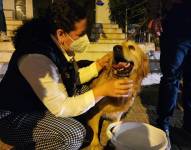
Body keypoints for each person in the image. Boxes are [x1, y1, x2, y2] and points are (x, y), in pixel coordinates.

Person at [0, 0, 134, 149]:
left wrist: (98, 65)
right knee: (72, 135)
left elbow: (70, 80)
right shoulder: (36, 58)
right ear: (61, 34)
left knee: (85, 97)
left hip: (39, 106)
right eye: (81, 34)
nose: (85, 39)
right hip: (13, 119)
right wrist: (102, 91)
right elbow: (61, 107)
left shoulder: (53, 45)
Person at [148, 0, 191, 145]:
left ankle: (189, 125)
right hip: (176, 17)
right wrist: (154, 16)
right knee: (171, 76)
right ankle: (163, 124)